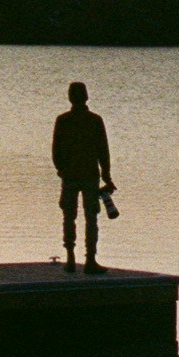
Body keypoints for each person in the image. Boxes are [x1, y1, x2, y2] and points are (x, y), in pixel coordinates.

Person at [52, 81, 112, 271]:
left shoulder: (63, 120)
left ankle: (71, 258)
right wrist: (106, 174)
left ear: (70, 98)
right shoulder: (94, 120)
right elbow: (103, 150)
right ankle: (89, 260)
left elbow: (56, 150)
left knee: (69, 217)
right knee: (90, 218)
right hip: (88, 175)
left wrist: (61, 169)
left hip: (72, 176)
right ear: (86, 97)